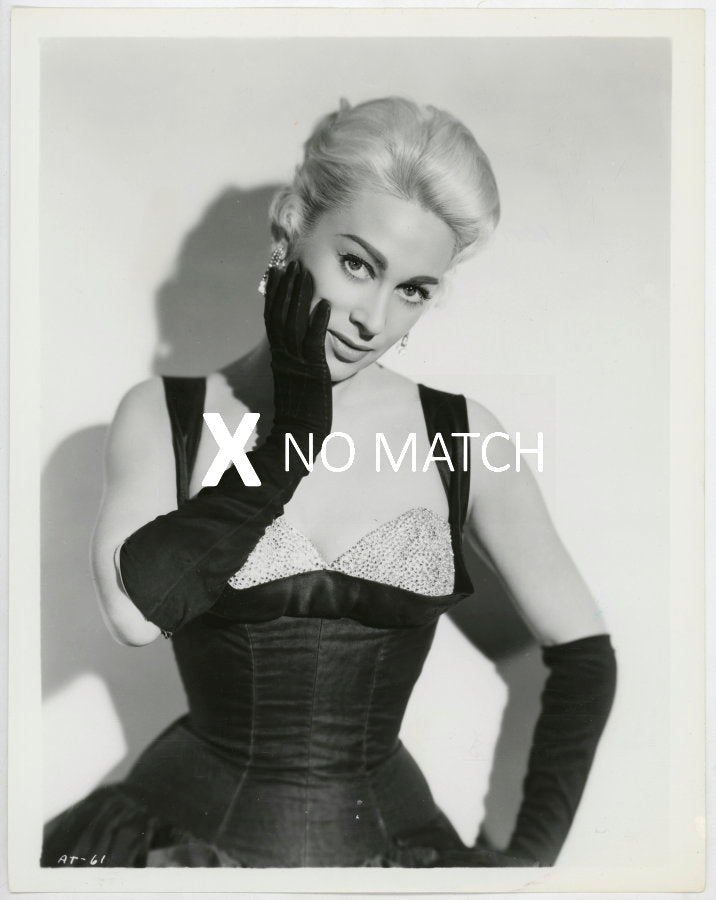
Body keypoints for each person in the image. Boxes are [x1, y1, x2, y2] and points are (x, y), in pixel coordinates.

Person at [41, 96, 617, 868]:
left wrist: (529, 864)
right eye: (357, 265)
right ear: (291, 228)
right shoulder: (164, 414)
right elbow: (136, 615)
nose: (373, 318)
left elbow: (585, 652)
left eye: (412, 290)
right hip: (182, 850)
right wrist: (295, 434)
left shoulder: (463, 435)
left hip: (393, 853)